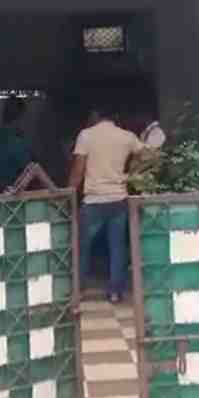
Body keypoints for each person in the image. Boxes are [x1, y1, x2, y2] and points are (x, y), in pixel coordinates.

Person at [67, 105, 146, 303]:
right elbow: (150, 156)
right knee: (117, 246)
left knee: (83, 246)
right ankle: (115, 292)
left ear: (96, 115)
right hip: (119, 198)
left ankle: (79, 290)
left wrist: (68, 193)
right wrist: (132, 173)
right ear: (115, 116)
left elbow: (78, 170)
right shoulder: (127, 136)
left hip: (93, 200)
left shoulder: (86, 135)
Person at [0, 97, 32, 192]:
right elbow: (29, 169)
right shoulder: (16, 141)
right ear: (19, 117)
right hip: (12, 191)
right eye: (25, 118)